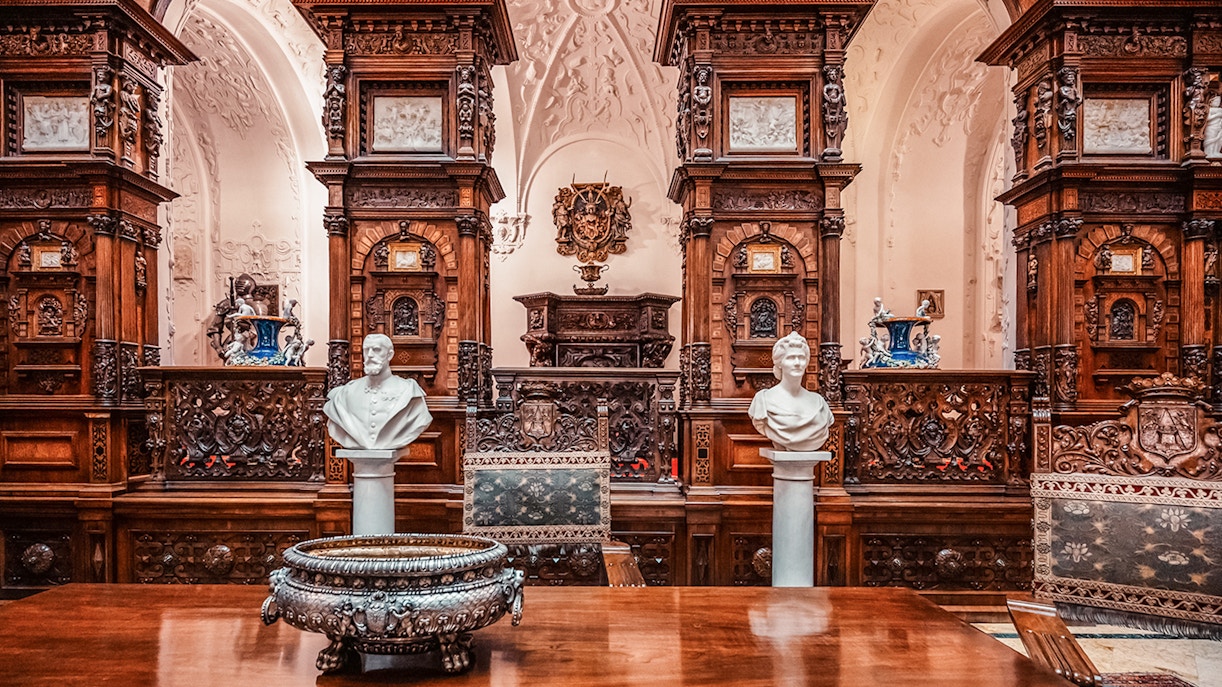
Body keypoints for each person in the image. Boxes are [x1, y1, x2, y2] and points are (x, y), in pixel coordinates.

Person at [323, 334, 432, 450]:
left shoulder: (408, 391)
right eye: (366, 350)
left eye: (376, 350)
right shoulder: (346, 393)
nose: (370, 355)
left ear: (390, 355)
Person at [748, 332, 834, 452]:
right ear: (780, 363)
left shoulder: (819, 403)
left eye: (801, 358)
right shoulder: (763, 401)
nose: (797, 363)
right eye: (791, 358)